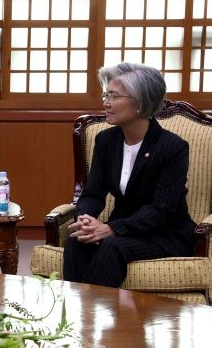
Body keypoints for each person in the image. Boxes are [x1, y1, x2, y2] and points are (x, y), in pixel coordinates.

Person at [63, 62, 195, 288]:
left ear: (139, 103)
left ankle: (95, 318)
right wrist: (85, 221)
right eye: (106, 95)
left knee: (111, 246)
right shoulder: (106, 141)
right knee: (78, 241)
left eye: (114, 97)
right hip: (124, 229)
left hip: (164, 234)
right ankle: (75, 317)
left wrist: (111, 229)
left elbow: (161, 209)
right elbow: (93, 193)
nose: (106, 103)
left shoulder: (172, 147)